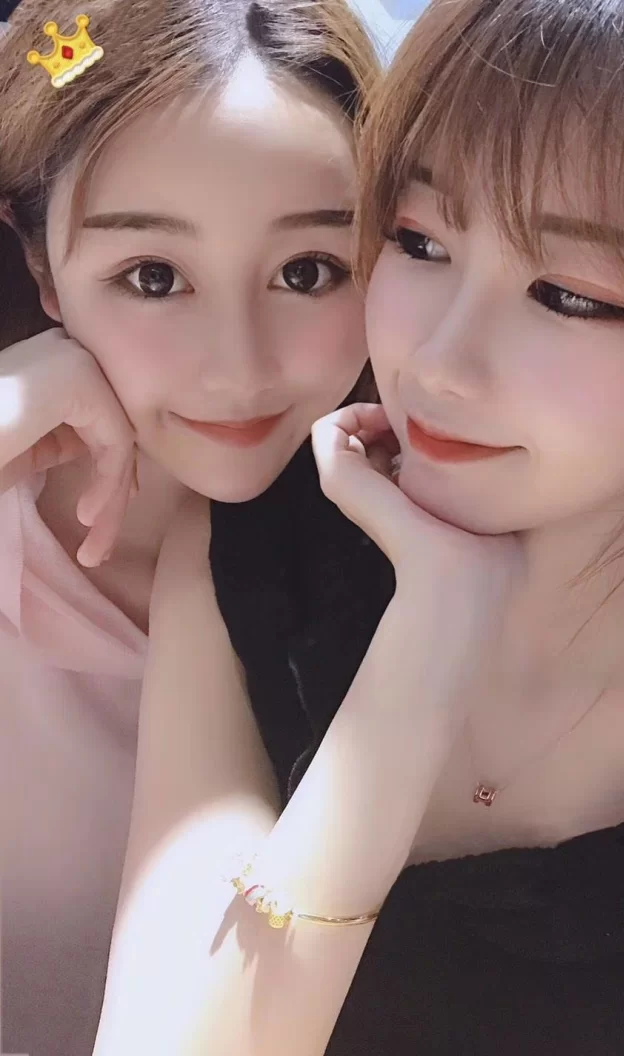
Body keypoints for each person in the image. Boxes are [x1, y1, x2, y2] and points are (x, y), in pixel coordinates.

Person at [101, 0, 624, 1053]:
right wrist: (432, 625)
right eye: (418, 240)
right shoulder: (259, 547)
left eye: (570, 296)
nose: (436, 361)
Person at [0, 1, 378, 1052]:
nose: (237, 366)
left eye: (308, 271)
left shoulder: (428, 560)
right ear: (44, 272)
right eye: (153, 277)